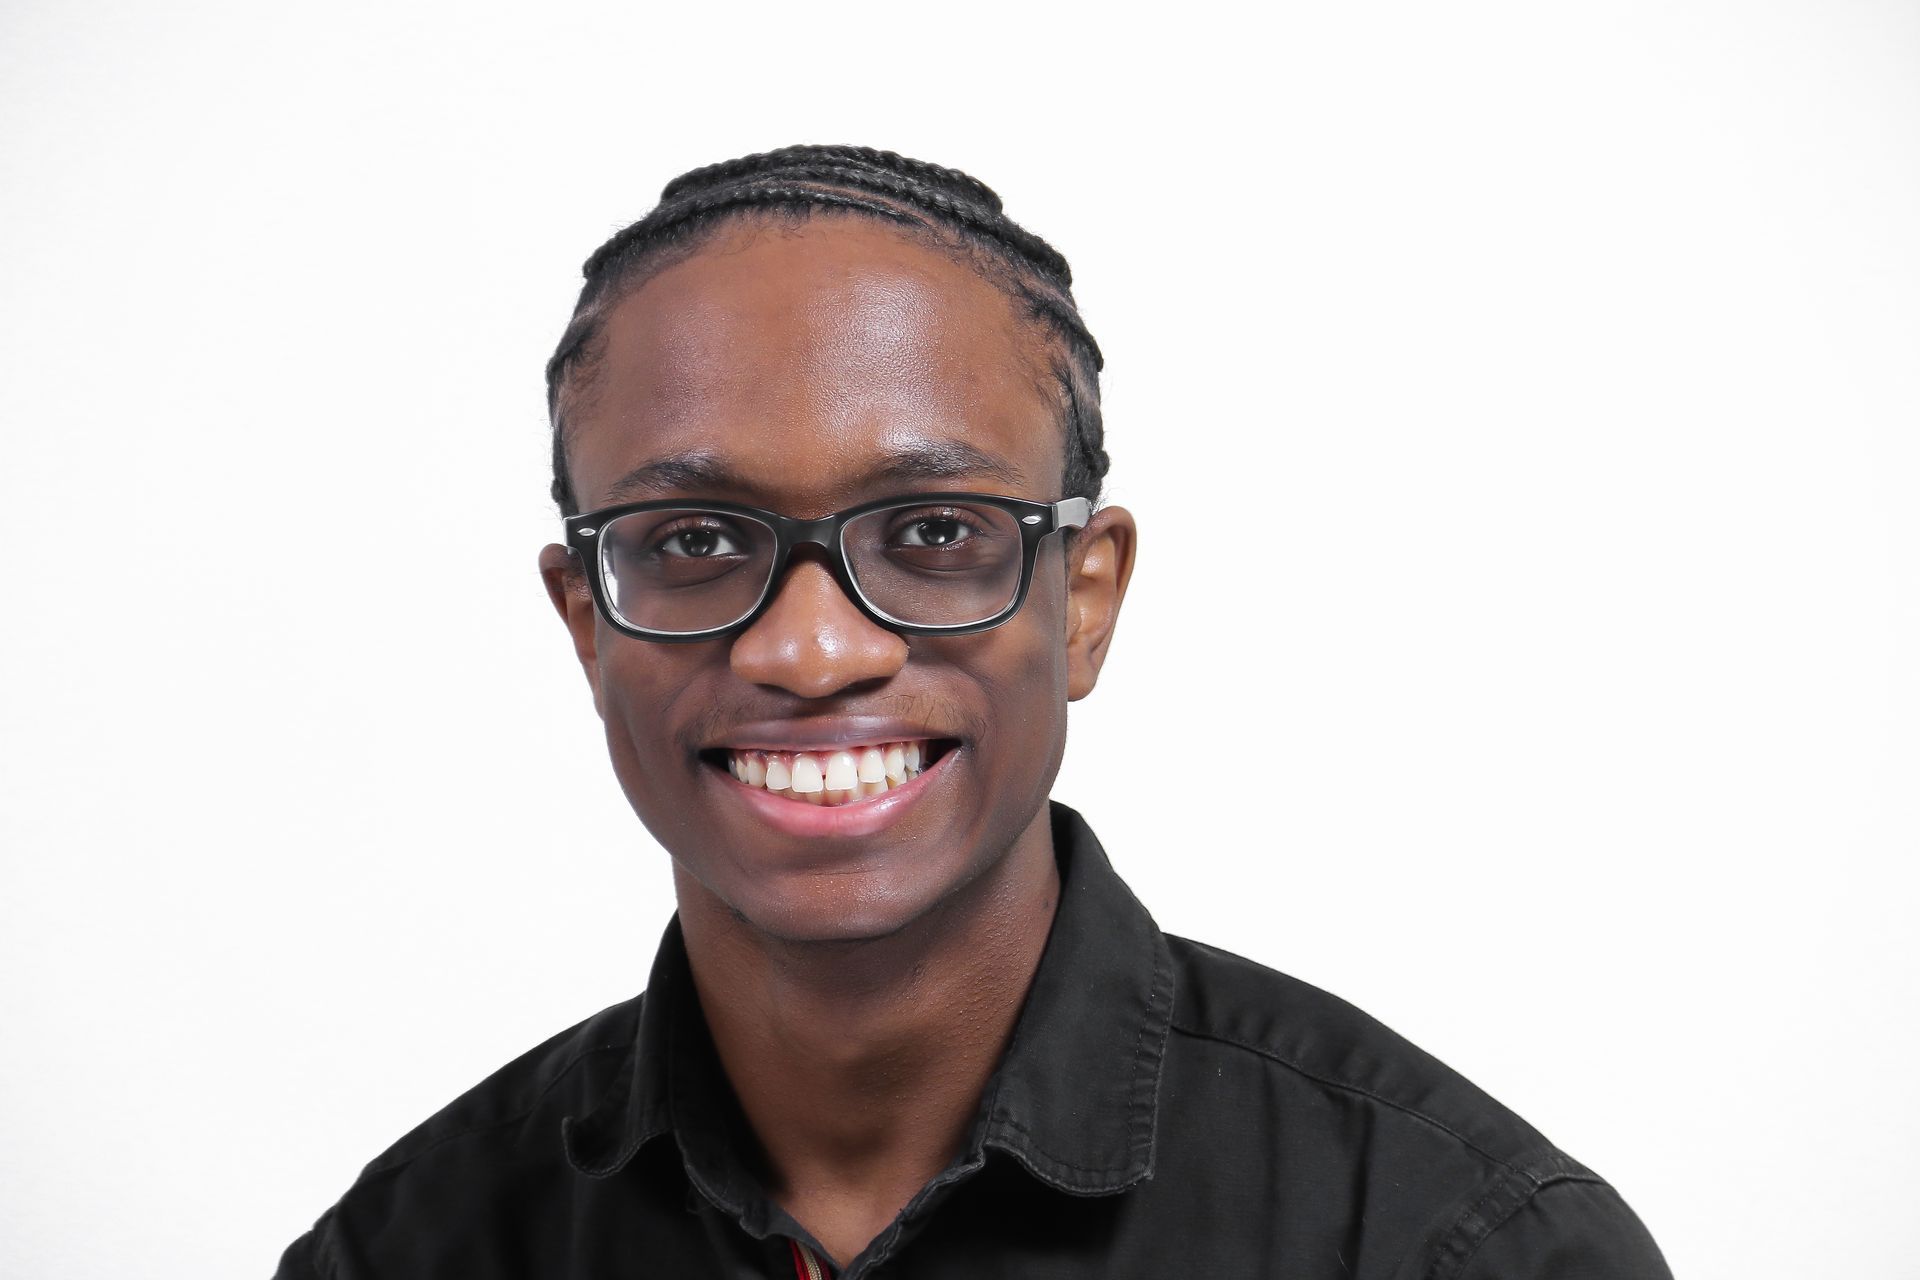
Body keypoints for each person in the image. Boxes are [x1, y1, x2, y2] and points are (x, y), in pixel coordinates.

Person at [274, 144, 1672, 1279]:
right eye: (695, 541)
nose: (812, 650)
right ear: (587, 621)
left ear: (1083, 600)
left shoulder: (1457, 1249)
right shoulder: (412, 1253)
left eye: (933, 530)